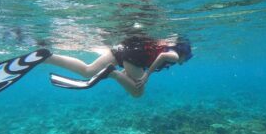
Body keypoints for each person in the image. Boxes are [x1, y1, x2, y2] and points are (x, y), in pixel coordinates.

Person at [45, 35, 193, 97]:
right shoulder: (174, 56)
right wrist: (147, 75)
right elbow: (163, 56)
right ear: (184, 53)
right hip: (132, 56)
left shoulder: (167, 46)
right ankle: (112, 73)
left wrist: (127, 72)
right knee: (138, 93)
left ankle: (48, 57)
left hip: (123, 49)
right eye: (187, 59)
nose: (184, 62)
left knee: (88, 71)